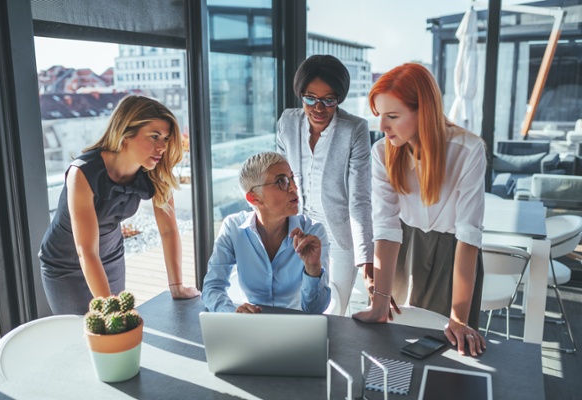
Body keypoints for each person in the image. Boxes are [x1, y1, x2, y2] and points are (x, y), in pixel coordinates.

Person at [352, 63, 487, 357]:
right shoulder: (382, 153)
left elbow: (468, 235)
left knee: (449, 348)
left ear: (422, 111)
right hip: (403, 249)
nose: (382, 127)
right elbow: (386, 228)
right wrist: (378, 304)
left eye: (393, 116)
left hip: (455, 254)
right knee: (397, 343)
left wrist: (460, 318)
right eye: (379, 116)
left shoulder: (468, 150)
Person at [39, 95, 200, 315]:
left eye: (165, 138)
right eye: (154, 136)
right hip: (65, 263)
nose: (162, 147)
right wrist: (111, 309)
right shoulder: (83, 172)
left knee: (116, 333)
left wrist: (177, 287)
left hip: (110, 255)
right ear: (125, 135)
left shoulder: (154, 170)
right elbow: (85, 250)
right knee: (81, 333)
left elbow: (169, 230)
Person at [276, 54, 373, 316]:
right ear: (300, 95)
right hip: (299, 230)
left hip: (340, 233)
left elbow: (360, 199)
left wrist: (365, 259)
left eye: (329, 100)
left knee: (336, 309)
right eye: (310, 98)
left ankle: (333, 357)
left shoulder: (355, 130)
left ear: (339, 99)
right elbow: (279, 182)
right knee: (299, 303)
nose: (319, 108)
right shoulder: (287, 123)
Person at [202, 152, 331, 314]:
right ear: (254, 198)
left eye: (292, 178)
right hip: (251, 329)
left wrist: (313, 268)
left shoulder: (313, 232)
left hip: (297, 329)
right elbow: (212, 287)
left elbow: (315, 310)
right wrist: (231, 314)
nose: (294, 187)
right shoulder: (233, 228)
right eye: (281, 181)